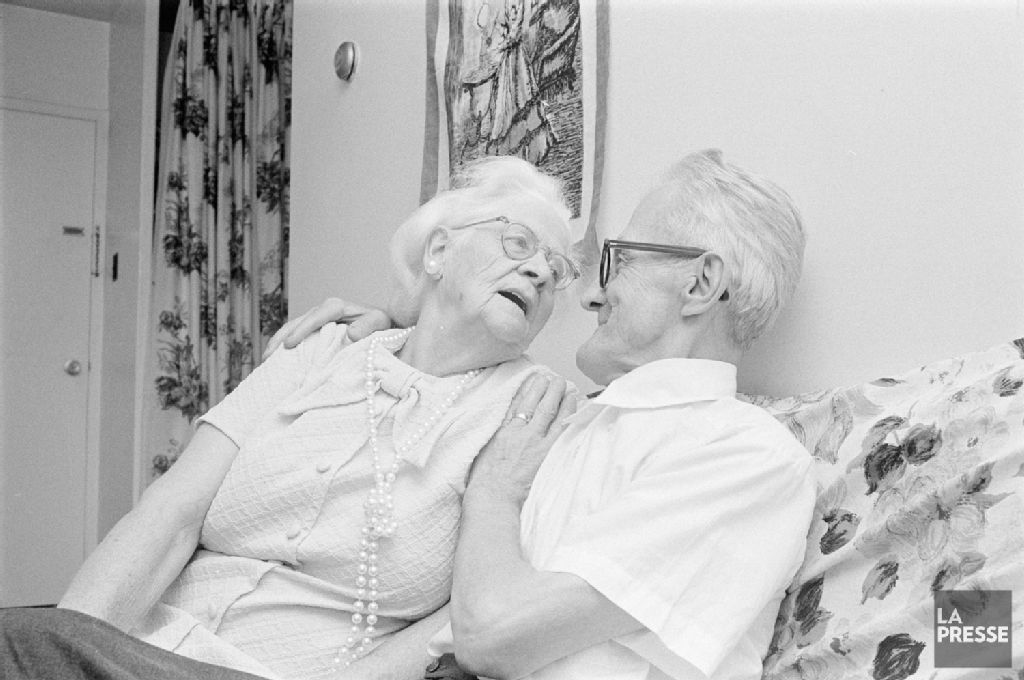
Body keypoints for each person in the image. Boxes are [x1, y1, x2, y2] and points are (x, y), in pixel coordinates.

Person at [0, 156, 579, 680]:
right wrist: (66, 647)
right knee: (18, 639)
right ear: (438, 253)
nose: (540, 273)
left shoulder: (532, 414)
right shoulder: (324, 349)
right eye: (519, 243)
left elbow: (467, 615)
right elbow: (173, 510)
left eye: (557, 271)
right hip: (139, 648)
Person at [268, 149, 816, 680]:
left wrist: (495, 492)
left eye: (619, 260)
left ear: (699, 284)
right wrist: (393, 337)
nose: (591, 296)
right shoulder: (565, 418)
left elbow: (491, 636)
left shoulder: (746, 456)